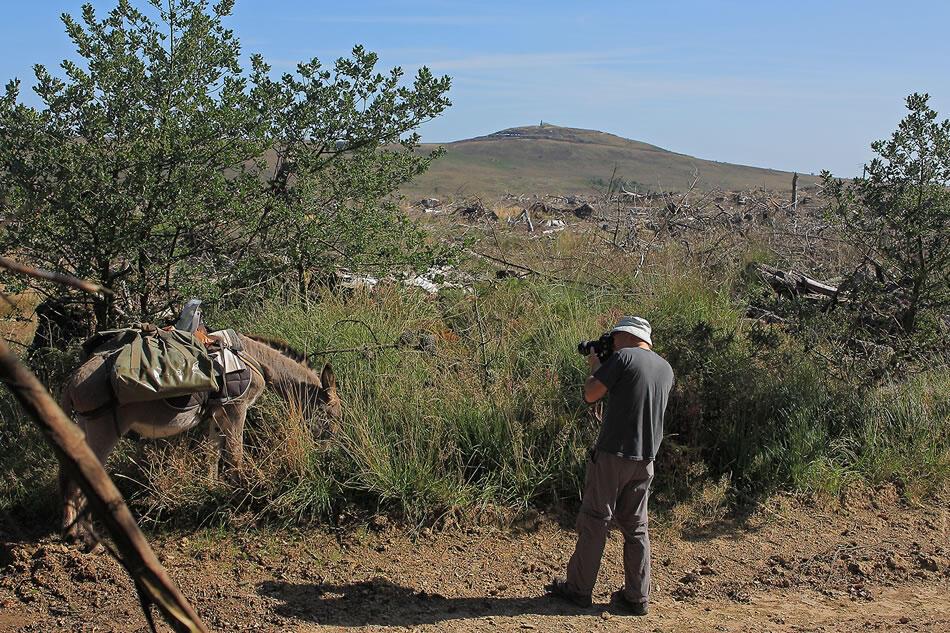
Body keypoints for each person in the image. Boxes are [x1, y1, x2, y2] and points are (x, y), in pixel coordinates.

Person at [548, 316, 674, 616]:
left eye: (614, 338)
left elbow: (591, 393)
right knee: (636, 526)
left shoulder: (624, 357)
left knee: (595, 519)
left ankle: (578, 589)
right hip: (645, 459)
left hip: (613, 454)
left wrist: (596, 365)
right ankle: (637, 596)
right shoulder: (665, 368)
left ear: (626, 336)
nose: (612, 343)